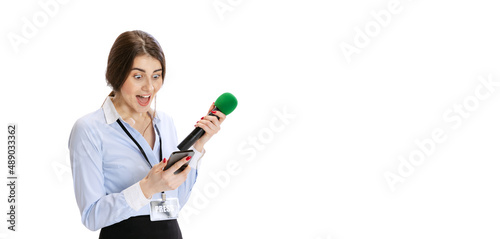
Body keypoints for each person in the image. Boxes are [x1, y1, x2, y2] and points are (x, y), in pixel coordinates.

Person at [68, 30, 225, 239]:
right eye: (138, 76)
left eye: (156, 76)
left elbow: (176, 200)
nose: (149, 87)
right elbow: (91, 217)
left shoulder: (165, 123)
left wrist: (197, 147)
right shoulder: (89, 129)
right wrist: (147, 188)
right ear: (117, 74)